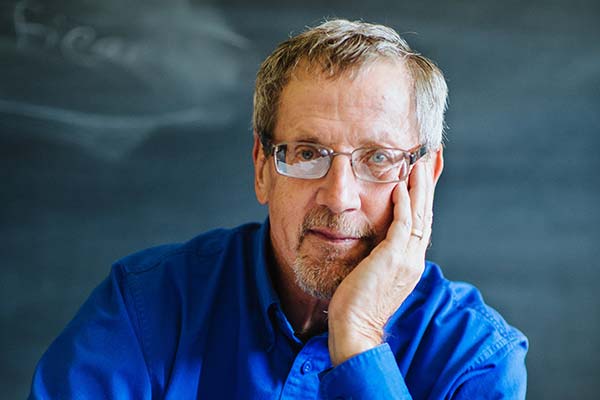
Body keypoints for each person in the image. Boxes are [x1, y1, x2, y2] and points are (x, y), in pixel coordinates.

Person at [30, 19, 528, 399]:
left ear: (426, 176)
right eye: (308, 154)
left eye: (378, 158)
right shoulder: (147, 304)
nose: (339, 196)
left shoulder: (476, 356)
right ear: (262, 168)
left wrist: (359, 336)